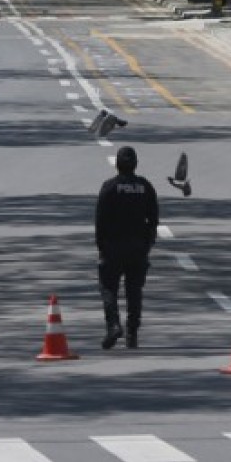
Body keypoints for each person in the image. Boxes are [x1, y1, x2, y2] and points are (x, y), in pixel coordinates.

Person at [95, 145, 159, 350]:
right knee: (134, 291)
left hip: (113, 248)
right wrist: (148, 243)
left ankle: (113, 326)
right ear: (136, 164)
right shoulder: (145, 187)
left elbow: (100, 220)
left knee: (108, 288)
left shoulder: (110, 187)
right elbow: (154, 218)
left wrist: (101, 246)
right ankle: (132, 332)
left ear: (117, 165)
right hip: (138, 248)